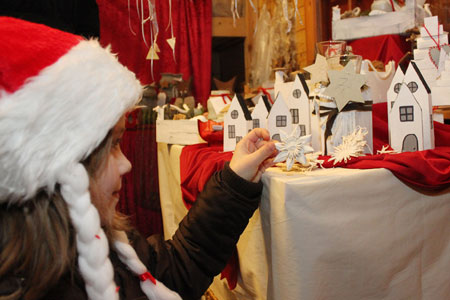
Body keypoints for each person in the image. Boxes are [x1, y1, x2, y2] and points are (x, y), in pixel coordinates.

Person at [0, 17, 276, 300]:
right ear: (60, 167)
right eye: (114, 145)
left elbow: (173, 272)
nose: (127, 164)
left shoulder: (105, 244)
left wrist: (235, 181)